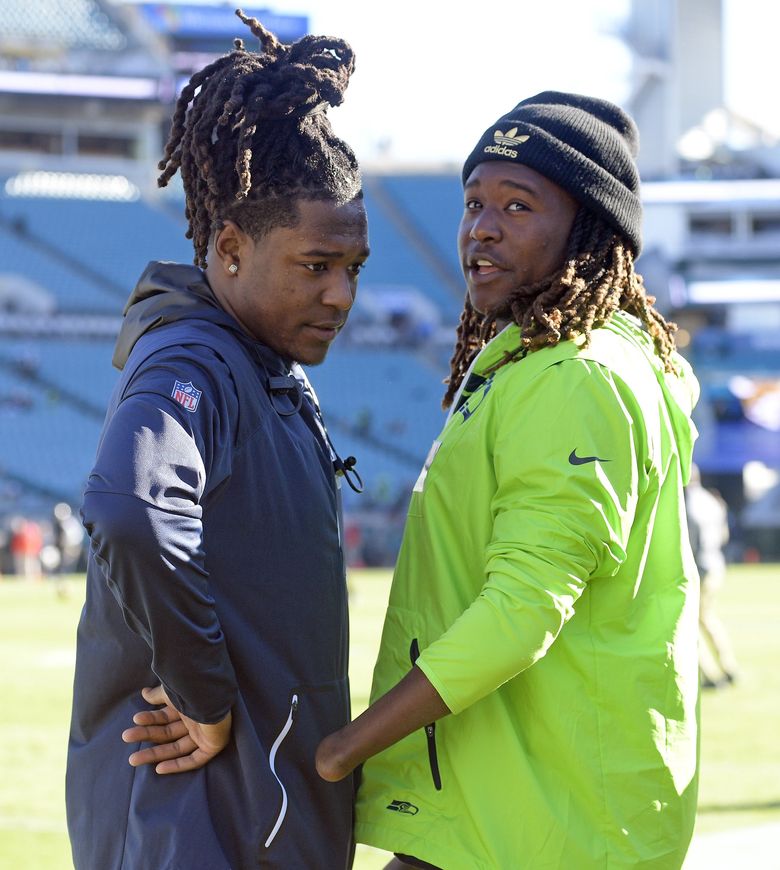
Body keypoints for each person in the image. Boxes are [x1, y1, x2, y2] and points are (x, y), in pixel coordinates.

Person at [317, 92, 701, 869]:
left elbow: (523, 610)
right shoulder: (532, 365)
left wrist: (343, 749)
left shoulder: (578, 380)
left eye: (517, 206)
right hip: (500, 803)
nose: (480, 228)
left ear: (589, 233)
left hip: (548, 821)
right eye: (473, 203)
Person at [66, 11, 368, 869]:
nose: (342, 294)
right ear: (229, 248)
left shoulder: (262, 363)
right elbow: (130, 508)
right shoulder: (194, 356)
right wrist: (204, 696)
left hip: (258, 821)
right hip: (198, 830)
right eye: (317, 265)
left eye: (355, 267)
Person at [685, 464, 739, 688]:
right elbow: (724, 535)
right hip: (716, 563)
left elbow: (688, 542)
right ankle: (728, 666)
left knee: (689, 622)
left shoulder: (685, 504)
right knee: (708, 619)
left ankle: (709, 675)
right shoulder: (712, 500)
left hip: (698, 568)